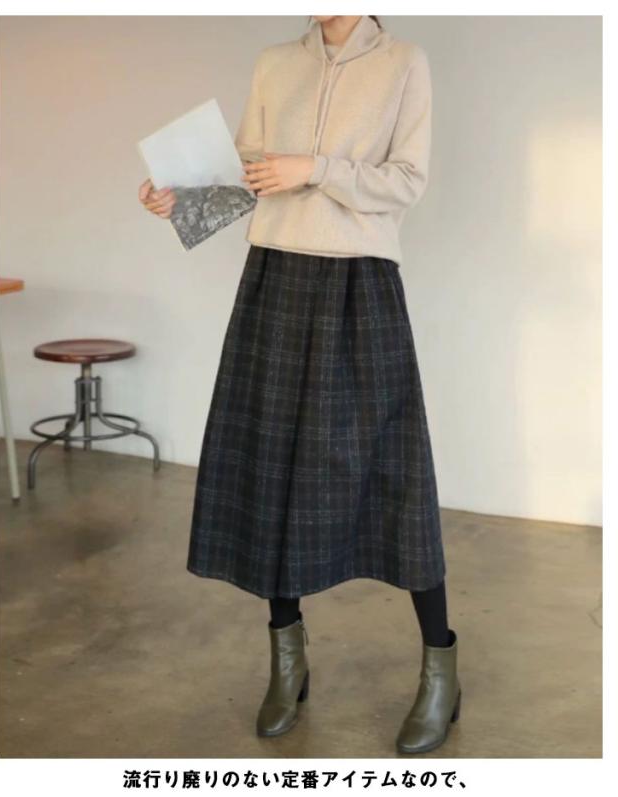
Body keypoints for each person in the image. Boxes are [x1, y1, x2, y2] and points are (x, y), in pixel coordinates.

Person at [139, 14, 461, 756]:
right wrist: (177, 201)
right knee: (270, 467)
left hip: (360, 283)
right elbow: (245, 179)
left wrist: (314, 167)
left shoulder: (404, 62)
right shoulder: (274, 61)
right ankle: (288, 661)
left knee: (396, 475)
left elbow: (407, 182)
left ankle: (441, 667)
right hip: (273, 278)